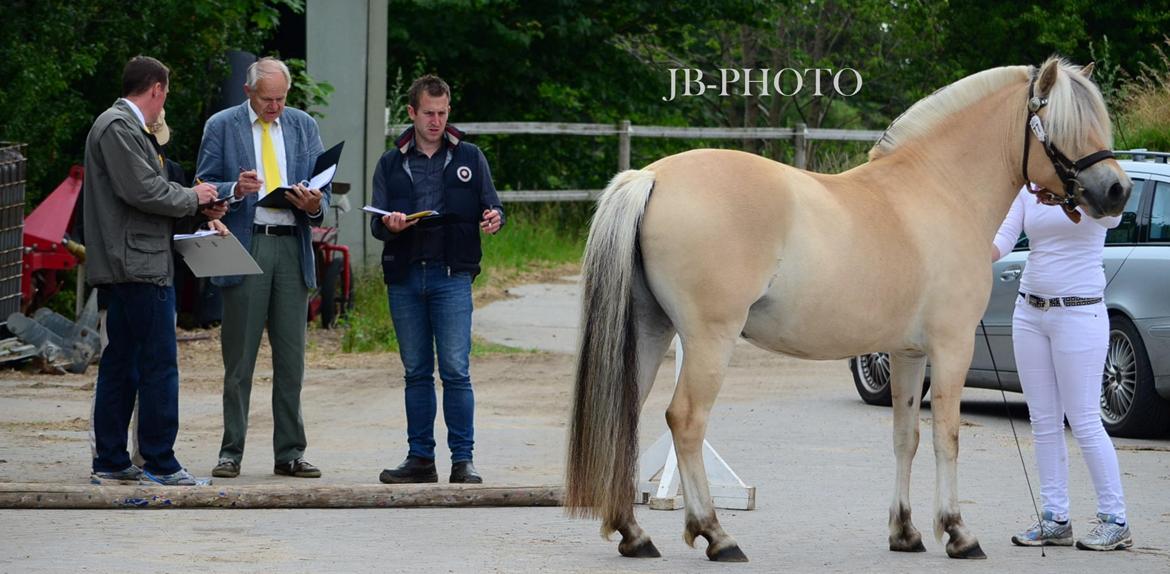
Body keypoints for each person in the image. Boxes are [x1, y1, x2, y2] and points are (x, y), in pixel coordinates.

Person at [84, 55, 221, 486]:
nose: (164, 103)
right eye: (165, 94)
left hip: (131, 263)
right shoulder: (118, 127)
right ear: (157, 89)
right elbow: (143, 190)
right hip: (140, 266)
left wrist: (196, 206)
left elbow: (148, 192)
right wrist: (195, 197)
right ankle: (160, 462)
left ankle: (111, 460)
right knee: (158, 365)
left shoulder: (124, 128)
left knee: (122, 363)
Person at [195, 57, 328, 480]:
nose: (275, 107)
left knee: (292, 359)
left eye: (281, 98)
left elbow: (322, 190)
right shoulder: (222, 125)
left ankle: (290, 452)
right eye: (268, 99)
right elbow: (202, 185)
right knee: (239, 358)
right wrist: (235, 188)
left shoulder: (303, 125)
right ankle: (230, 451)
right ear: (248, 91)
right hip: (247, 241)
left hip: (292, 245)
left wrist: (314, 204)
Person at [370, 74, 504, 484]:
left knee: (455, 370)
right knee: (415, 371)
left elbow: (493, 206)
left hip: (452, 275)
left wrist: (494, 218)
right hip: (405, 275)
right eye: (428, 113)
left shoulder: (470, 157)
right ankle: (420, 459)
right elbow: (375, 223)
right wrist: (390, 225)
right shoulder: (390, 162)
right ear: (412, 112)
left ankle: (463, 460)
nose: (436, 121)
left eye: (443, 113)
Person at [993, 183, 1132, 551]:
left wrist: (1071, 196)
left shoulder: (1094, 186)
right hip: (1029, 312)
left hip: (1080, 312)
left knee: (1083, 419)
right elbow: (1005, 237)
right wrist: (974, 252)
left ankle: (1115, 519)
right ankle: (1055, 517)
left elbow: (1112, 216)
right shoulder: (1030, 188)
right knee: (1043, 420)